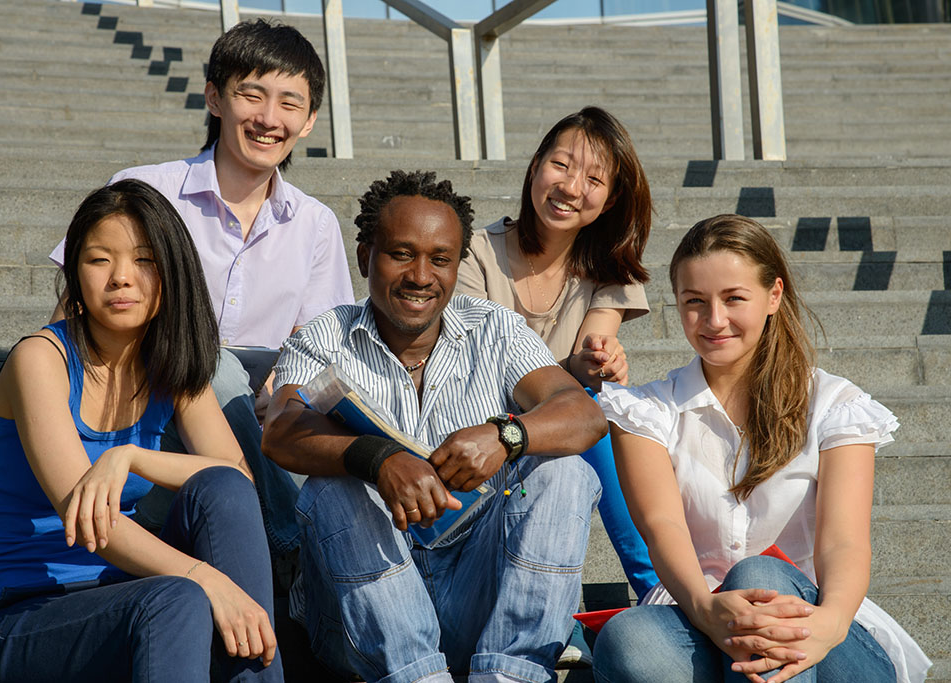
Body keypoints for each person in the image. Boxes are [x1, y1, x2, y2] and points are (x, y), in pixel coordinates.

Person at [261, 170, 607, 683]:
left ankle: (512, 675)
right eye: (401, 254)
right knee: (333, 489)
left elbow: (583, 412)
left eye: (440, 259)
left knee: (566, 473)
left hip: (476, 587)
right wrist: (376, 459)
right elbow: (282, 429)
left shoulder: (495, 327)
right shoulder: (325, 335)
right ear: (365, 258)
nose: (421, 275)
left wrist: (506, 435)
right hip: (357, 616)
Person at [48, 19, 354, 556]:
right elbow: (71, 314)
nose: (268, 118)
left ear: (308, 122)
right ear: (214, 97)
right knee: (208, 361)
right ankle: (292, 546)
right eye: (251, 95)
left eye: (289, 103)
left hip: (262, 422)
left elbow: (323, 343)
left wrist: (287, 389)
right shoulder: (142, 191)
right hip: (150, 412)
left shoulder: (316, 223)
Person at [0, 180, 283, 682]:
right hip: (17, 616)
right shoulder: (39, 360)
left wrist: (131, 458)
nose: (121, 279)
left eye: (144, 261)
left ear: (171, 273)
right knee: (177, 596)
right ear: (74, 276)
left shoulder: (169, 364)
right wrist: (204, 576)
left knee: (221, 492)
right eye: (98, 261)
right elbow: (89, 522)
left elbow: (235, 478)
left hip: (128, 598)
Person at [593, 214, 931, 683]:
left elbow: (844, 542)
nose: (714, 321)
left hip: (820, 634)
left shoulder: (834, 405)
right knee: (626, 638)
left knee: (762, 577)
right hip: (697, 618)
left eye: (734, 299)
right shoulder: (646, 411)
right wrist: (707, 610)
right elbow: (661, 525)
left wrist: (828, 625)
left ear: (773, 295)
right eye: (695, 302)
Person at [456, 106, 657, 602]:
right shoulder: (472, 252)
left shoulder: (609, 271)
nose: (570, 187)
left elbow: (586, 360)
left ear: (610, 201)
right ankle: (655, 583)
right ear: (535, 167)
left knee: (604, 408)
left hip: (557, 426)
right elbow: (475, 364)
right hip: (477, 419)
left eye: (593, 178)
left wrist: (598, 362)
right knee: (588, 413)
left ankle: (658, 588)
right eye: (561, 165)